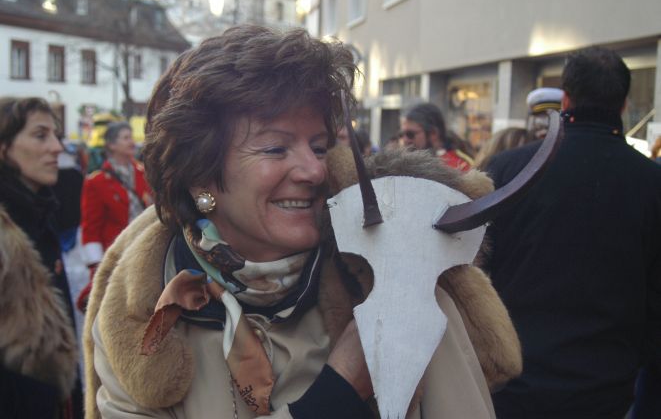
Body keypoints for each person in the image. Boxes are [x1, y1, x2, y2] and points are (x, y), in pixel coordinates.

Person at [83, 25, 521, 419]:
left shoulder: (392, 283)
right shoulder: (138, 318)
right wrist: (339, 393)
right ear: (200, 175)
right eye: (276, 148)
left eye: (318, 146)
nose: (314, 171)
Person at [486, 46, 661, 418]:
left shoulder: (507, 169)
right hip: (604, 388)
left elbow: (478, 270)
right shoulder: (652, 183)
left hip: (514, 382)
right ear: (624, 104)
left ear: (565, 99)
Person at [0, 97, 81, 418]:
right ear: (4, 147)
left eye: (55, 136)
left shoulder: (39, 213)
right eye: (40, 135)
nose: (57, 147)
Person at [77, 122, 152, 310]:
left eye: (131, 137)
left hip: (145, 253)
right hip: (115, 257)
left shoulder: (146, 174)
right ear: (111, 145)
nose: (132, 142)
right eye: (126, 138)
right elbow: (90, 228)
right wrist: (97, 268)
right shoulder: (96, 182)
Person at [400, 102, 474, 170]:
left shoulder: (459, 166)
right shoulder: (407, 165)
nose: (405, 140)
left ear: (433, 133)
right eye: (401, 134)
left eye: (410, 134)